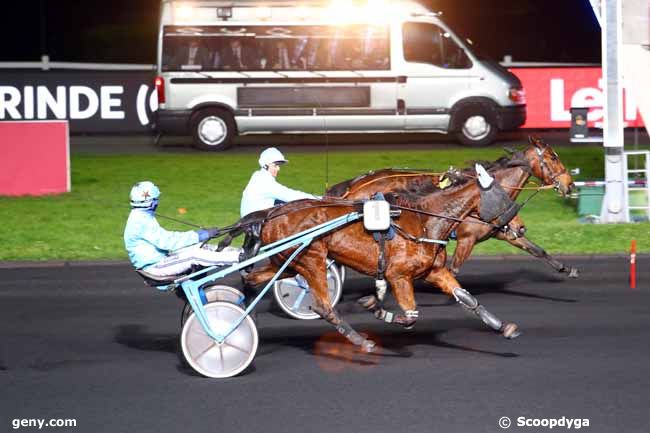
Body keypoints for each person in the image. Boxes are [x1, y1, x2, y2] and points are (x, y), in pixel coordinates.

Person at [124, 181, 241, 277]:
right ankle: (239, 257)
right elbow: (168, 242)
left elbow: (168, 239)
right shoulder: (141, 221)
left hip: (161, 260)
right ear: (151, 202)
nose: (158, 202)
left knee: (201, 247)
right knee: (195, 254)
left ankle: (238, 252)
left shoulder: (141, 216)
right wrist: (198, 235)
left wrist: (201, 235)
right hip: (155, 267)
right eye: (156, 199)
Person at [240, 147, 318, 217]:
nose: (278, 169)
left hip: (253, 217)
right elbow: (292, 195)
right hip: (255, 222)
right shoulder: (264, 182)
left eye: (279, 166)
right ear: (265, 166)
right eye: (275, 165)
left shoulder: (258, 176)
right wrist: (319, 199)